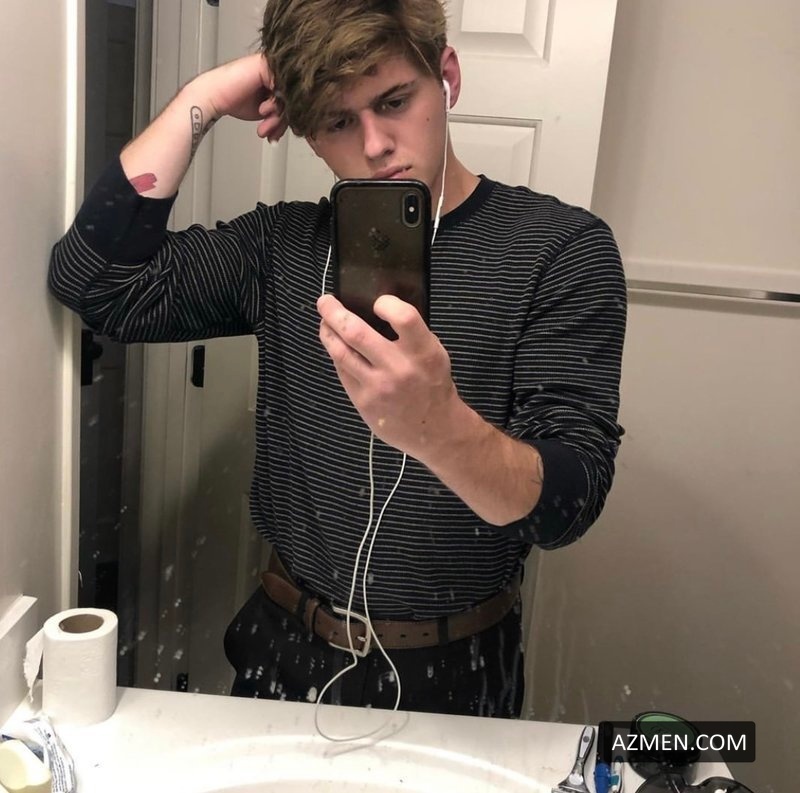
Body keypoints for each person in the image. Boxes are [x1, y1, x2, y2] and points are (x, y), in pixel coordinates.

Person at [49, 0, 626, 719]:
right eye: (338, 121)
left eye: (395, 101)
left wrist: (441, 429)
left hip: (460, 671)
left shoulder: (561, 251)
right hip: (283, 649)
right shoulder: (280, 249)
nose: (377, 144)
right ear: (306, 133)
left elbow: (571, 500)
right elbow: (96, 282)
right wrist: (205, 96)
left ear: (447, 76)